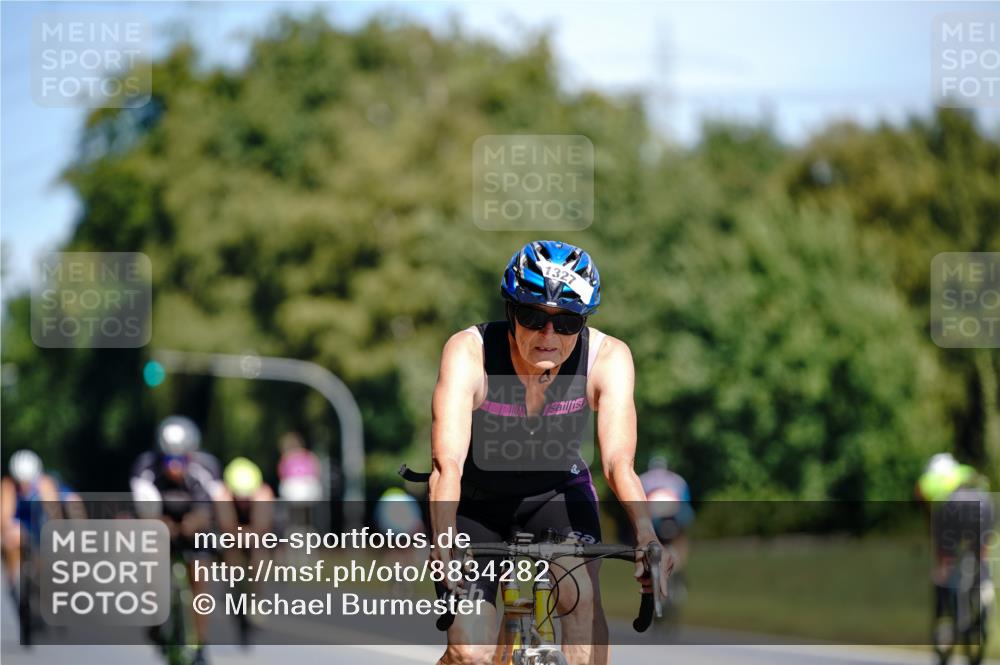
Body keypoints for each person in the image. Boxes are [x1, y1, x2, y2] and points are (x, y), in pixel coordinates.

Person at [429, 240, 670, 665]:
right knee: (470, 651)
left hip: (556, 493)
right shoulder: (470, 352)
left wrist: (646, 534)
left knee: (578, 599)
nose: (548, 335)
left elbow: (618, 464)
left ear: (584, 323)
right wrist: (444, 539)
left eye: (567, 323)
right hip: (478, 501)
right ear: (510, 313)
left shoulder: (607, 358)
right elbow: (446, 464)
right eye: (532, 317)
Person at [131, 416, 220, 665]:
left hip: (195, 525)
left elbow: (211, 508)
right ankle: (157, 621)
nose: (174, 466)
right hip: (160, 523)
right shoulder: (145, 468)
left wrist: (195, 522)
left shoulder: (207, 468)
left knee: (200, 574)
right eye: (168, 459)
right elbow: (144, 508)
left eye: (180, 460)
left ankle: (201, 644)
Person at [916, 453, 995, 665]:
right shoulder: (964, 472)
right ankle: (985, 587)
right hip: (984, 504)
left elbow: (927, 510)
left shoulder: (928, 481)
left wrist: (941, 554)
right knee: (980, 554)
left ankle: (945, 627)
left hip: (951, 508)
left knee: (945, 567)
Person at [216, 457, 274, 647]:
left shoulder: (263, 493)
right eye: (238, 496)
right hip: (232, 533)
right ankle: (233, 588)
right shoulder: (222, 494)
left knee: (259, 552)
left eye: (246, 497)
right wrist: (236, 536)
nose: (242, 501)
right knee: (230, 552)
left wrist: (251, 535)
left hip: (254, 533)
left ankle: (257, 600)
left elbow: (262, 526)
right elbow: (226, 526)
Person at [1, 450, 63, 600]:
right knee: (11, 541)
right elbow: (4, 517)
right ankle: (13, 580)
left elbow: (55, 515)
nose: (24, 486)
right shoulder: (8, 485)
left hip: (38, 525)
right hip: (20, 525)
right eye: (21, 481)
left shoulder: (45, 483)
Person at [639, 454, 694, 572]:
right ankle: (680, 564)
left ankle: (651, 566)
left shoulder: (642, 479)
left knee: (649, 536)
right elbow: (685, 501)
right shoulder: (677, 479)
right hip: (675, 512)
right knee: (681, 536)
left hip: (653, 513)